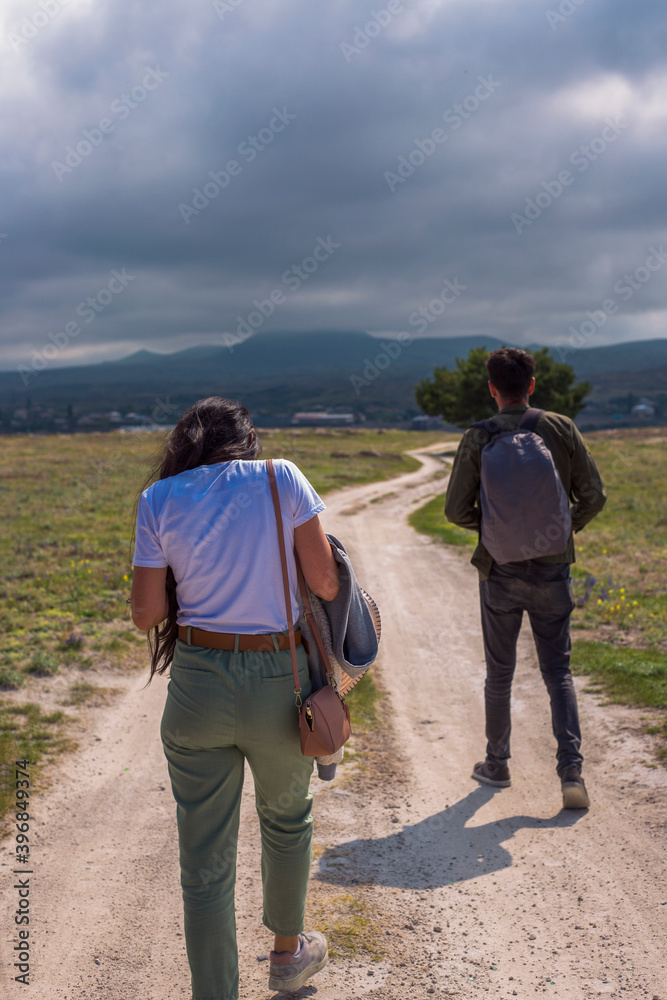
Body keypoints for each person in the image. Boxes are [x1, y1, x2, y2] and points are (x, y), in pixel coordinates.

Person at [130, 396, 339, 1000]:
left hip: (198, 681)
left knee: (203, 858)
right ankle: (287, 956)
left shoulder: (159, 500)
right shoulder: (282, 477)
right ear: (246, 440)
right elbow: (324, 581)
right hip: (280, 677)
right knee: (286, 819)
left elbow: (147, 615)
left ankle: (215, 993)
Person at [444, 348, 607, 809]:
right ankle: (571, 772)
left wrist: (496, 528)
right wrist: (559, 528)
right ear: (532, 385)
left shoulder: (478, 436)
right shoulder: (561, 427)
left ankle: (497, 763)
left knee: (500, 671)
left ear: (492, 388)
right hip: (554, 567)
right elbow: (595, 496)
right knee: (558, 671)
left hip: (500, 571)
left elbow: (455, 509)